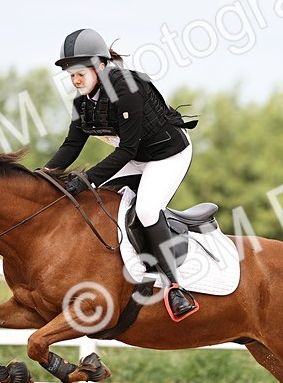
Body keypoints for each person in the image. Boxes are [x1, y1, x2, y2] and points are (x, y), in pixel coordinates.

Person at [46, 28, 200, 322]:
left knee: (145, 208)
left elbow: (126, 149)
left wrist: (87, 178)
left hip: (168, 154)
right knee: (98, 201)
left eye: (81, 72)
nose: (75, 79)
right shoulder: (83, 104)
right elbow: (71, 145)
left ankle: (175, 286)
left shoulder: (127, 88)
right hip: (139, 157)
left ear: (101, 66)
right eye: (71, 74)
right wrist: (44, 175)